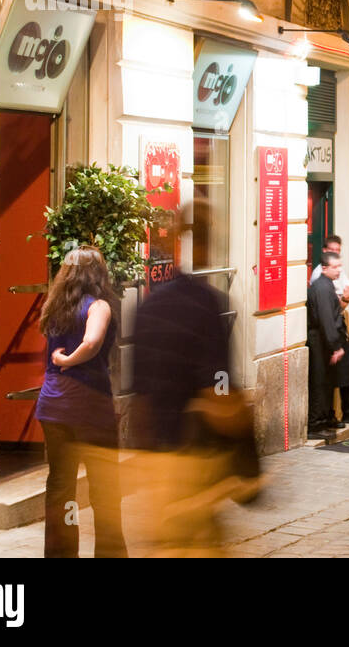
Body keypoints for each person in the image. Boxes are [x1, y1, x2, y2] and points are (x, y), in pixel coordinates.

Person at [131, 201, 259, 555]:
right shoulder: (207, 305)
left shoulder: (150, 306)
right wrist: (247, 449)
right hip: (195, 463)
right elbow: (216, 389)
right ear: (210, 237)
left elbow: (139, 397)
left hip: (157, 461)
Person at [34, 245, 127, 558]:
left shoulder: (55, 307)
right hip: (90, 408)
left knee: (60, 487)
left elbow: (60, 348)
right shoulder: (99, 305)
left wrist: (61, 359)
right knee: (105, 489)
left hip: (53, 407)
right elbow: (92, 341)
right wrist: (71, 360)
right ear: (97, 273)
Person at [307, 251, 349, 439]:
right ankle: (316, 425)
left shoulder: (326, 286)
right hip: (321, 341)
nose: (339, 270)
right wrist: (335, 345)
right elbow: (327, 318)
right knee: (320, 381)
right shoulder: (322, 287)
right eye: (335, 267)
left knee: (327, 381)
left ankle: (324, 420)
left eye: (340, 266)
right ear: (324, 268)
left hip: (324, 340)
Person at [311, 234, 349, 305]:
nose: (335, 252)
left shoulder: (339, 270)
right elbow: (330, 304)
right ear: (324, 250)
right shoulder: (318, 273)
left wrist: (346, 297)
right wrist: (345, 299)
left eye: (337, 250)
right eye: (331, 249)